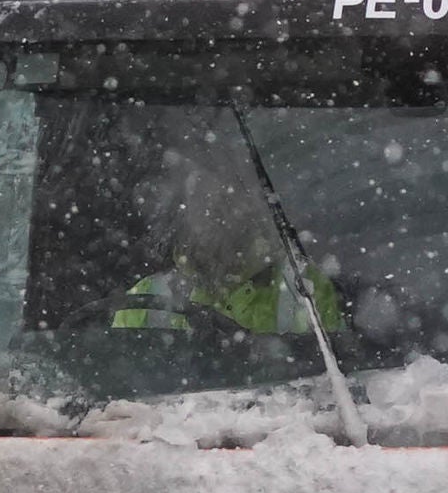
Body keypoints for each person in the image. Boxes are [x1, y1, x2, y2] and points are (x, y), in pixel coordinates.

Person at [111, 122, 340, 339]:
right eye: (201, 198)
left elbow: (340, 371)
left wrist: (262, 355)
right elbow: (122, 374)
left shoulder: (302, 288)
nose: (215, 213)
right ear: (183, 211)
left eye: (226, 200)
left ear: (251, 205)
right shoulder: (146, 300)